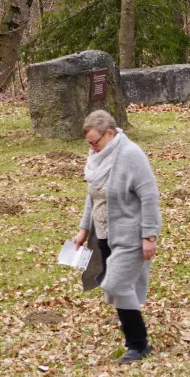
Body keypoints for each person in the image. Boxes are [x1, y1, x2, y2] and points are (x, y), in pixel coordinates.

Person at [71, 110, 160, 364]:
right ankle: (130, 326)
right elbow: (93, 195)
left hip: (130, 234)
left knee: (116, 285)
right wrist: (83, 229)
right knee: (115, 287)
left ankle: (139, 344)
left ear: (110, 133)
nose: (92, 148)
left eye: (95, 141)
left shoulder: (130, 155)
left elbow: (150, 196)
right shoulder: (98, 157)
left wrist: (150, 236)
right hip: (104, 235)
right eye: (89, 143)